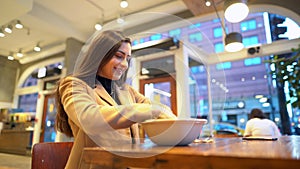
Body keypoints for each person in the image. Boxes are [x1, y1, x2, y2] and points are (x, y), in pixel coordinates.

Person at [54, 30, 176, 169]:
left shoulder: (126, 90)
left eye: (128, 59)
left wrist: (175, 125)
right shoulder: (74, 84)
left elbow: (158, 109)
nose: (124, 64)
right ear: (99, 56)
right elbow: (89, 118)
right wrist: (149, 110)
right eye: (119, 56)